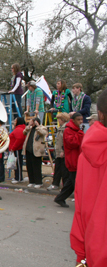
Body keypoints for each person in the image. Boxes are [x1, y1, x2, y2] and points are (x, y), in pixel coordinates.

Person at [70, 89, 107, 266]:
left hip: (97, 250)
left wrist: (82, 256)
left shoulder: (88, 153)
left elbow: (83, 209)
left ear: (99, 114)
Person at [54, 112, 84, 208]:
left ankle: (60, 198)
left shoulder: (76, 130)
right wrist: (80, 134)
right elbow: (72, 143)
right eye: (78, 120)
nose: (80, 122)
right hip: (72, 161)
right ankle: (81, 204)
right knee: (76, 183)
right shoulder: (68, 130)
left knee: (71, 183)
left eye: (81, 120)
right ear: (73, 120)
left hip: (77, 160)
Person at [22, 117, 48, 188]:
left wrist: (38, 126)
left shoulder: (42, 128)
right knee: (29, 166)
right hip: (28, 149)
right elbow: (24, 132)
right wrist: (29, 126)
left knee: (36, 167)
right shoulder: (30, 129)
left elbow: (43, 133)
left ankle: (38, 182)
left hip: (37, 150)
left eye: (32, 122)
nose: (31, 123)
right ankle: (32, 181)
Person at [47, 113, 70, 190]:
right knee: (57, 169)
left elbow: (66, 141)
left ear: (63, 119)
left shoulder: (65, 128)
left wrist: (63, 150)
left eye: (59, 119)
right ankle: (55, 183)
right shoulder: (60, 128)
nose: (58, 121)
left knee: (64, 170)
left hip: (62, 152)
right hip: (58, 151)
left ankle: (65, 185)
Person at [8, 117, 26, 184]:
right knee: (17, 163)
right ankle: (17, 176)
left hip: (17, 149)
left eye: (15, 121)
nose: (14, 122)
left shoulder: (18, 129)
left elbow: (19, 139)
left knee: (18, 163)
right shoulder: (19, 128)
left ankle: (18, 178)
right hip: (16, 148)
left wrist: (13, 147)